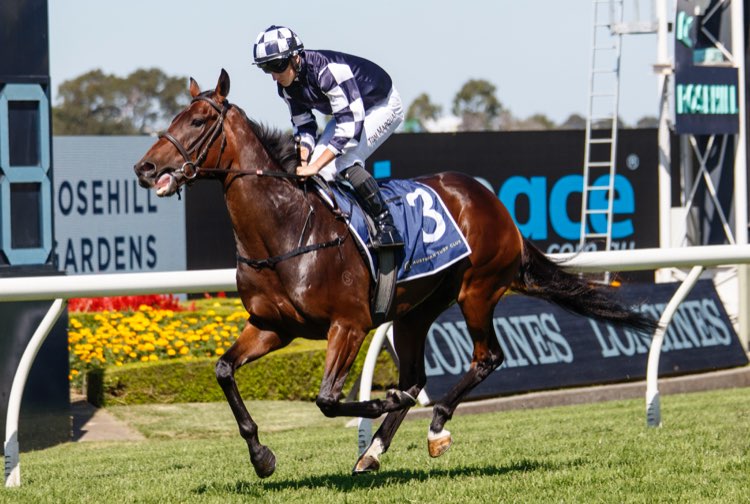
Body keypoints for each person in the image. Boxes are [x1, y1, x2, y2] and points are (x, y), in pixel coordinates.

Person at [253, 25, 404, 249]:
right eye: (266, 68)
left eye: (277, 65)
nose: (274, 76)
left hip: (382, 105)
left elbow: (349, 127)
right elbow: (304, 126)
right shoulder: (286, 88)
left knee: (345, 161)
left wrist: (314, 166)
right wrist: (305, 162)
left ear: (295, 57)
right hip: (349, 113)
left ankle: (387, 226)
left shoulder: (327, 71)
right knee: (319, 170)